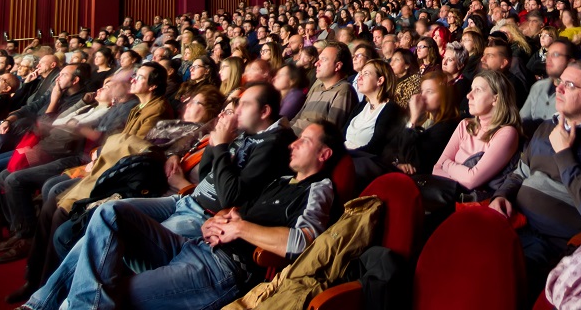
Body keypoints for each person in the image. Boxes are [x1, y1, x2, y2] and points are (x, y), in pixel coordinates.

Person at [20, 121, 342, 310]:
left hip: (221, 271)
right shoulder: (279, 180)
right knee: (109, 214)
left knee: (107, 291)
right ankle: (40, 305)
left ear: (324, 154)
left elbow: (302, 242)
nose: (294, 144)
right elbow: (237, 208)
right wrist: (220, 219)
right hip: (196, 247)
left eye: (305, 141)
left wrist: (241, 228)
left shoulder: (319, 189)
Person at [491, 61, 581, 294]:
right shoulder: (546, 126)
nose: (559, 89)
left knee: (498, 278)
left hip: (551, 243)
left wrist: (564, 154)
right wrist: (501, 195)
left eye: (569, 85)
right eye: (559, 82)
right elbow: (520, 172)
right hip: (515, 222)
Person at [431, 69, 521, 197]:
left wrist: (447, 164)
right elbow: (436, 168)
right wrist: (461, 172)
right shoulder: (465, 125)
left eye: (477, 90)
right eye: (471, 89)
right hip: (447, 195)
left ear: (495, 99)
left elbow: (471, 180)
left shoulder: (507, 133)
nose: (469, 95)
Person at [343, 59, 402, 158]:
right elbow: (342, 135)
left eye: (366, 74)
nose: (359, 77)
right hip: (346, 156)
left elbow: (375, 148)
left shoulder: (390, 109)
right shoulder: (361, 106)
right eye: (360, 73)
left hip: (362, 161)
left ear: (380, 80)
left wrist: (345, 155)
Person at [294, 43, 357, 129]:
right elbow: (297, 118)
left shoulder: (344, 90)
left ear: (337, 66)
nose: (316, 64)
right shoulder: (316, 89)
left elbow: (329, 132)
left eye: (323, 59)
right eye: (319, 59)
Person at [520, 40, 573, 136]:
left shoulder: (575, 92)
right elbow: (522, 119)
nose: (549, 59)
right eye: (548, 55)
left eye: (555, 55)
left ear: (570, 61)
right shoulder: (538, 86)